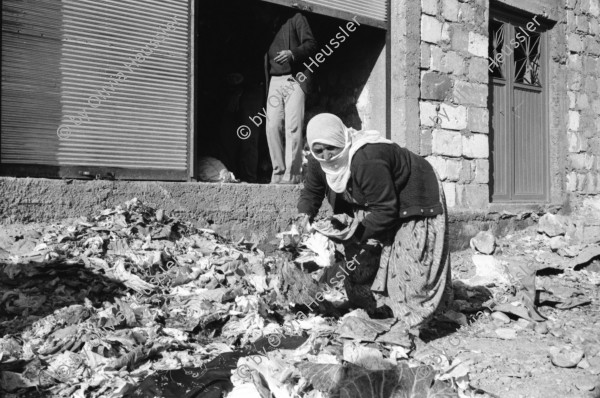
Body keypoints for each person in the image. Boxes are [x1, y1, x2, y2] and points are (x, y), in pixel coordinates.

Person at [295, 113, 453, 339]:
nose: (327, 156)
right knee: (359, 261)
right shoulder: (318, 162)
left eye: (331, 148)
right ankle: (377, 310)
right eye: (319, 150)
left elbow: (386, 209)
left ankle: (413, 324)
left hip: (414, 196)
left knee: (411, 268)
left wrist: (357, 232)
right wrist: (304, 217)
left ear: (342, 140)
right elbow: (312, 192)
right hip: (377, 201)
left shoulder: (365, 158)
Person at [264, 7, 317, 184]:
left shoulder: (296, 17)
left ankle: (293, 175)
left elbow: (311, 44)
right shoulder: (270, 20)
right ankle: (278, 174)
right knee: (272, 126)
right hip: (274, 80)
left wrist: (292, 54)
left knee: (293, 127)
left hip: (294, 78)